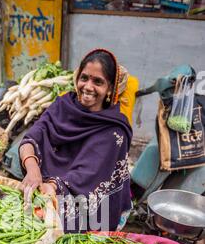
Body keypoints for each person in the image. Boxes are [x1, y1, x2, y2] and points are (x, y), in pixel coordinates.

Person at [19, 48, 133, 232]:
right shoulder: (63, 105)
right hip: (47, 185)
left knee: (47, 232)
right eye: (84, 78)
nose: (88, 87)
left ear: (110, 88)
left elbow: (86, 176)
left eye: (98, 82)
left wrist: (52, 187)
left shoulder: (114, 131)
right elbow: (32, 137)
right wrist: (33, 170)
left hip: (87, 202)